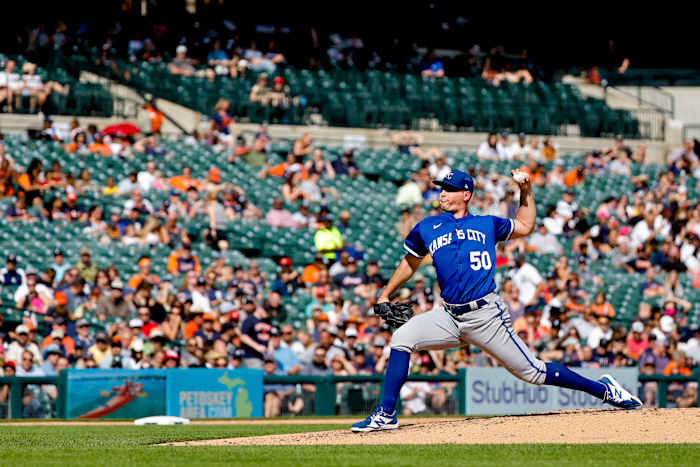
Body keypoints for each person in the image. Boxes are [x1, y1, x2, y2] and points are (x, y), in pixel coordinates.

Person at [351, 169, 641, 432]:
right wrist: (385, 292)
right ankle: (386, 413)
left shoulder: (487, 224)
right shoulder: (428, 227)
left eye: (449, 189)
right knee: (402, 337)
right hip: (449, 316)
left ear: (466, 194)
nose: (442, 193)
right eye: (441, 187)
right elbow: (410, 262)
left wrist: (525, 192)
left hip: (486, 315)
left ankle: (603, 389)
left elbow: (526, 226)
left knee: (534, 372)